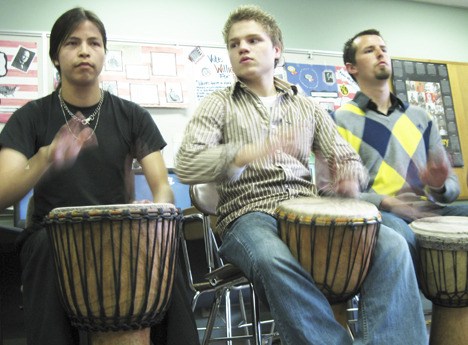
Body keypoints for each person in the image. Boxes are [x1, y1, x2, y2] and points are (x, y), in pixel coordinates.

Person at [175, 5, 427, 344]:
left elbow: (345, 157)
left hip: (307, 209)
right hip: (248, 216)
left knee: (392, 245)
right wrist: (248, 152)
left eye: (253, 40)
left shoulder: (306, 106)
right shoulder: (218, 104)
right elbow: (189, 163)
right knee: (272, 258)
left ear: (276, 49)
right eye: (234, 44)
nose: (243, 48)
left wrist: (349, 179)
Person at [0, 7, 199, 345]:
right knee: (45, 247)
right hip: (52, 232)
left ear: (104, 54)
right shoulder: (30, 116)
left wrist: (154, 212)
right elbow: (4, 192)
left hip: (118, 231)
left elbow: (161, 186)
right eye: (72, 42)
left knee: (167, 241)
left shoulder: (131, 115)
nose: (84, 51)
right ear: (56, 58)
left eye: (94, 43)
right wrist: (47, 154)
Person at [332, 29, 468, 263]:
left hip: (426, 209)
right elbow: (331, 193)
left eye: (383, 49)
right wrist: (385, 201)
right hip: (380, 214)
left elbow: (451, 188)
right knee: (402, 237)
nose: (380, 54)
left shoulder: (422, 117)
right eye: (369, 50)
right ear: (351, 67)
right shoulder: (339, 120)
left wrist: (439, 187)